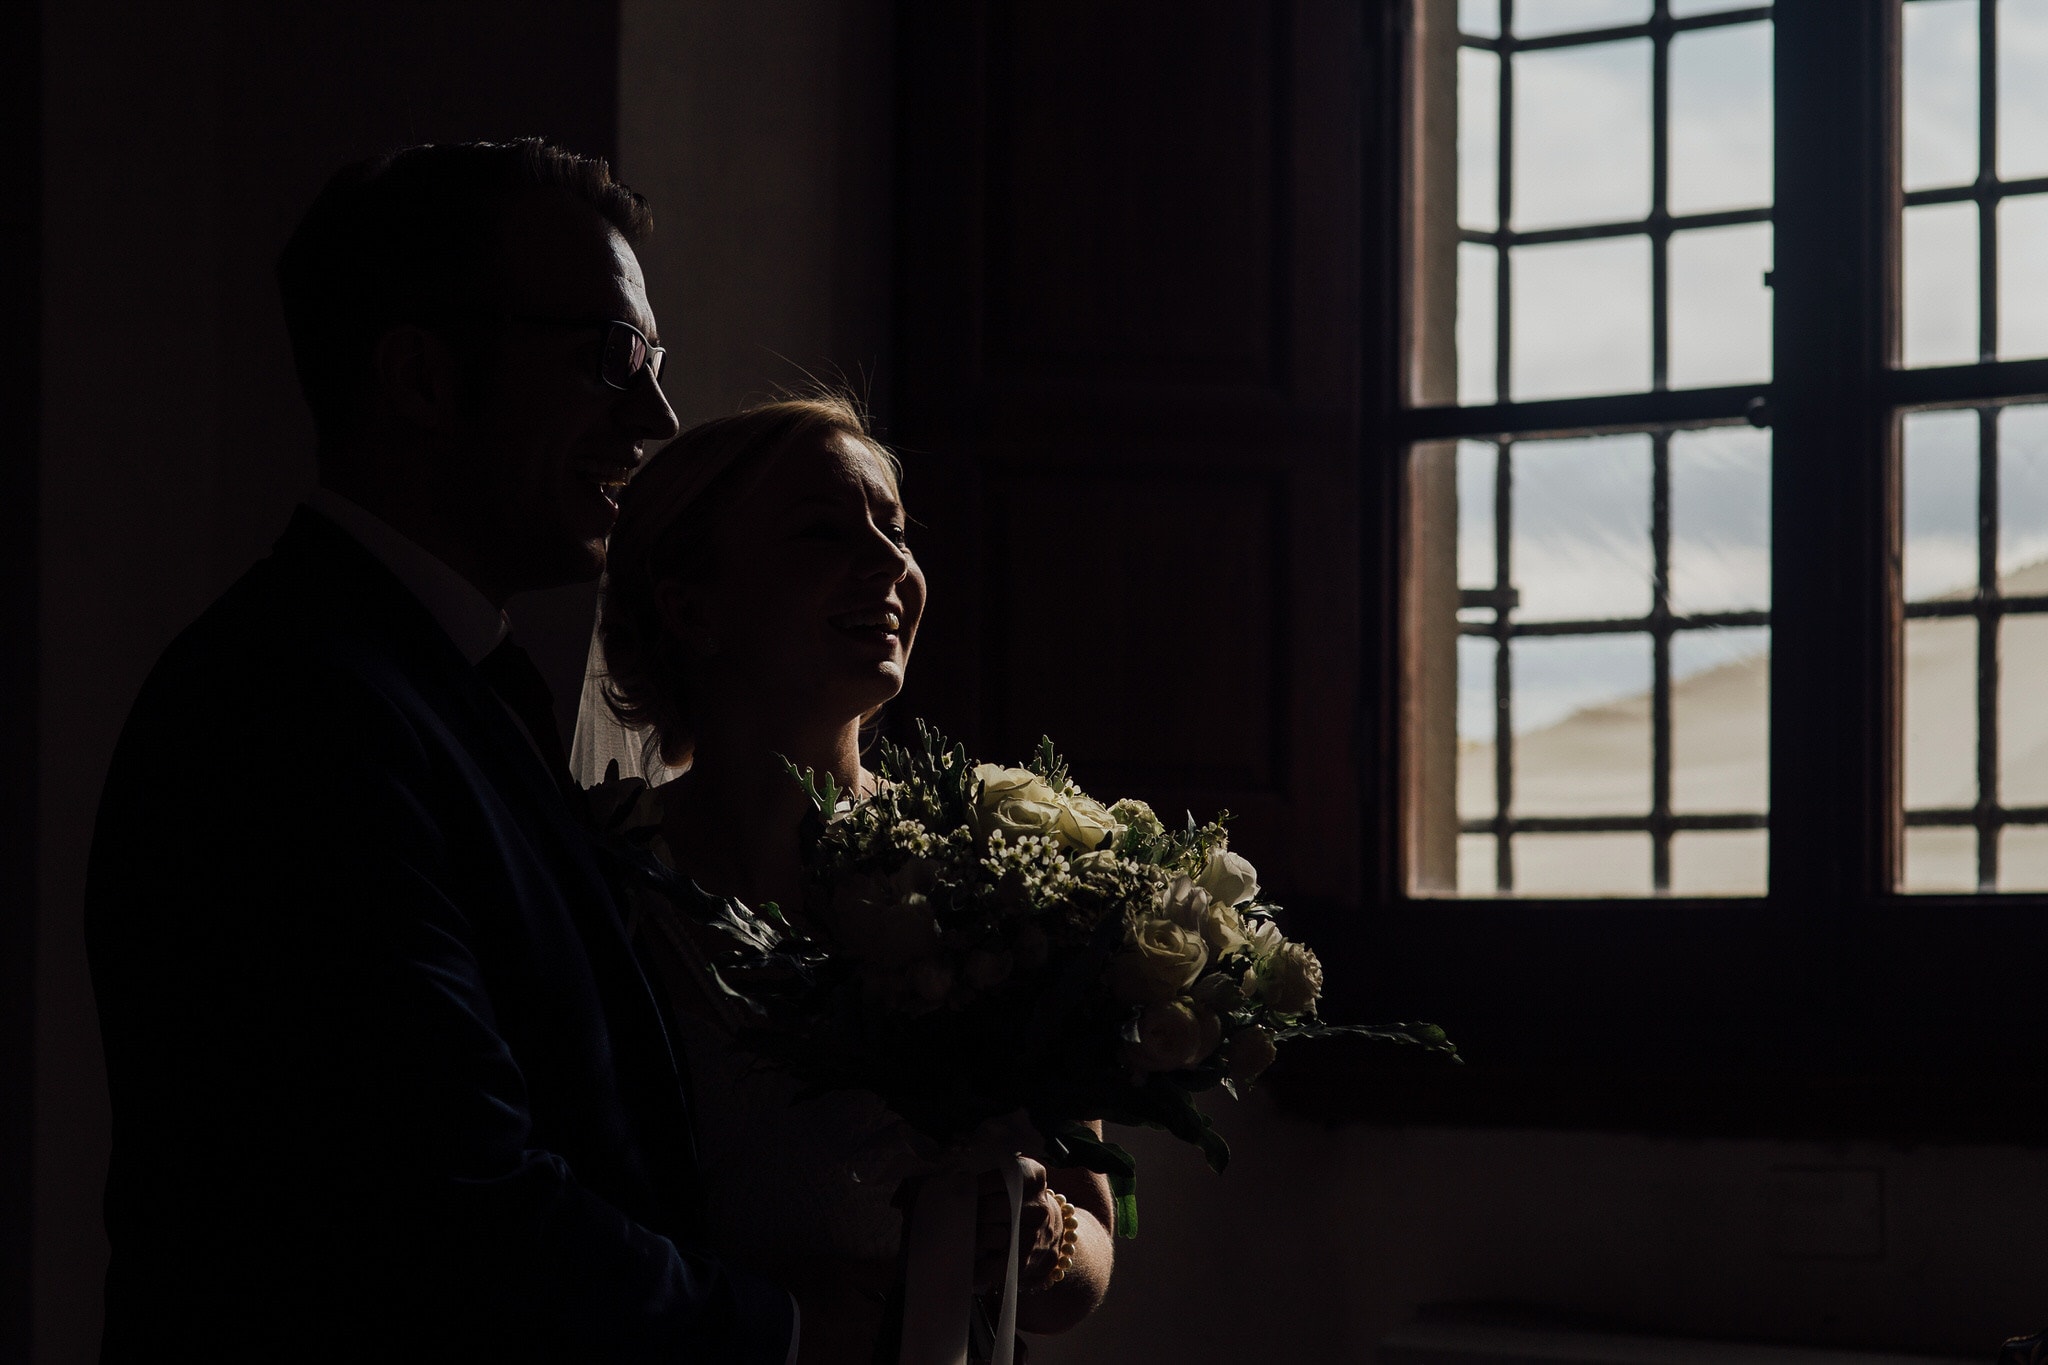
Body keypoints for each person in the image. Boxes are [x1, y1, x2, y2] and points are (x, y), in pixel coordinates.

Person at [84, 140, 801, 1362]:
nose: (657, 416)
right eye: (611, 357)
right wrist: (784, 1333)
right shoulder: (291, 709)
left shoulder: (431, 684)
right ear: (419, 376)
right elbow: (439, 1203)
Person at [574, 394, 1117, 1363]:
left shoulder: (995, 863)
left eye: (895, 532)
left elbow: (1084, 1262)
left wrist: (1036, 1240)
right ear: (691, 605)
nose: (891, 566)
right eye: (824, 532)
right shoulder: (594, 876)